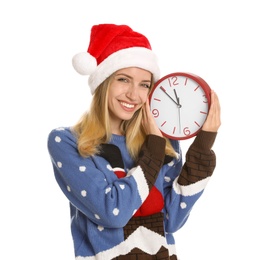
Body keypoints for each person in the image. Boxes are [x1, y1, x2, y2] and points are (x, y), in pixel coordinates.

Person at [47, 23, 221, 260]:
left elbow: (171, 221)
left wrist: (202, 147)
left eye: (144, 85)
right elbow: (112, 213)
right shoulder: (67, 141)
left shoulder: (161, 141)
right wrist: (153, 152)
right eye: (123, 79)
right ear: (103, 82)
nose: (134, 94)